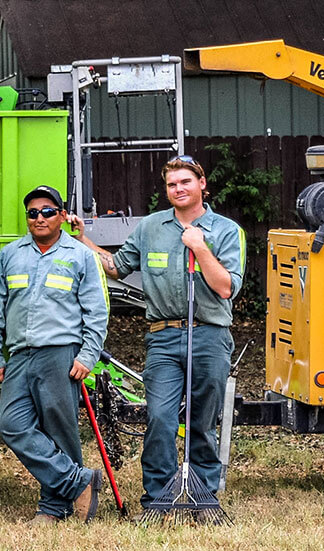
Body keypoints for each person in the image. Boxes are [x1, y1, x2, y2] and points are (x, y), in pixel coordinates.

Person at [68, 155, 246, 509]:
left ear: (202, 184)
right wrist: (82, 240)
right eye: (171, 184)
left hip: (209, 337)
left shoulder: (226, 231)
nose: (178, 189)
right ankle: (160, 498)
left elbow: (226, 287)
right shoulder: (151, 227)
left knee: (201, 422)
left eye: (185, 182)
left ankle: (202, 497)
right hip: (163, 337)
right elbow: (117, 267)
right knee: (160, 418)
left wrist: (199, 246)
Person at [0, 185, 109, 524]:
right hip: (19, 355)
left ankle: (53, 508)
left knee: (60, 430)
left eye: (48, 211)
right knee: (11, 424)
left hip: (60, 355)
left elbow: (96, 312)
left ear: (62, 216)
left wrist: (87, 356)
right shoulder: (10, 255)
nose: (39, 218)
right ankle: (78, 482)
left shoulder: (80, 256)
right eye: (33, 213)